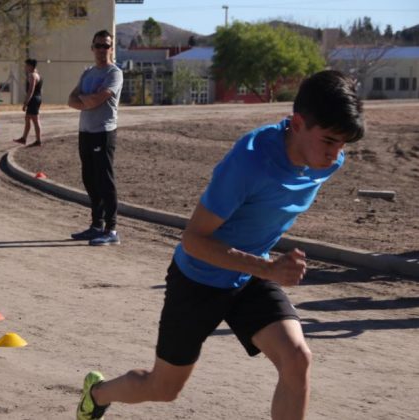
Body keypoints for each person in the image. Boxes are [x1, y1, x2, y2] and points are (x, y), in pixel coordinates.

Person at [76, 70, 365, 420]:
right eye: (330, 141)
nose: (336, 156)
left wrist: (262, 267)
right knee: (163, 388)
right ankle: (97, 392)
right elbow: (193, 240)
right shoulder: (250, 162)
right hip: (198, 279)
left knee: (297, 358)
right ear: (298, 123)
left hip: (248, 275)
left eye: (343, 145)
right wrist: (268, 268)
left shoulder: (326, 161)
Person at [67, 30, 123, 246]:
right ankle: (96, 225)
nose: (102, 50)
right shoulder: (88, 73)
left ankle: (112, 229)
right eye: (98, 45)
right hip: (85, 132)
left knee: (105, 180)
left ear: (111, 48)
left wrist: (86, 100)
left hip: (104, 132)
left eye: (106, 46)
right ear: (92, 48)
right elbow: (71, 100)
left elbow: (98, 100)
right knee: (90, 179)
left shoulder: (114, 73)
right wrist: (86, 100)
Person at [13, 58, 43, 146]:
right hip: (37, 98)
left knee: (35, 120)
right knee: (28, 119)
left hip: (33, 99)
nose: (25, 67)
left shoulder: (32, 76)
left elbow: (31, 90)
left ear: (30, 66)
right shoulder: (37, 74)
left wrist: (26, 102)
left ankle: (38, 140)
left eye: (26, 65)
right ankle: (24, 138)